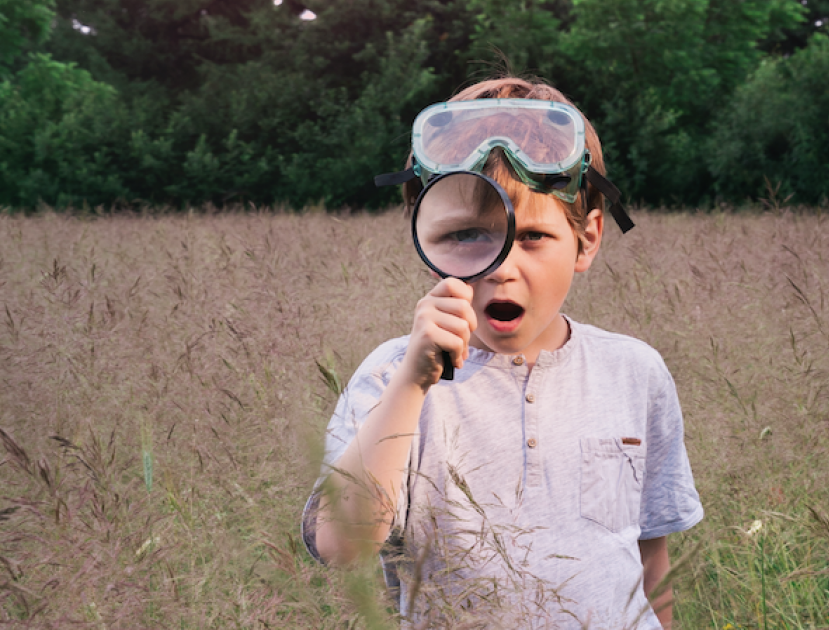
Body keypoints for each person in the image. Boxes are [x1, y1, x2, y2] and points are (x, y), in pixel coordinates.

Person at [301, 76, 702, 629]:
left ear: (587, 240)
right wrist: (413, 386)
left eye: (533, 237)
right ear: (425, 241)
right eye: (466, 235)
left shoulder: (635, 372)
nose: (501, 266)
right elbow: (340, 544)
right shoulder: (392, 376)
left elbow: (650, 558)